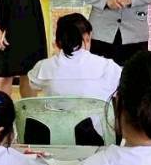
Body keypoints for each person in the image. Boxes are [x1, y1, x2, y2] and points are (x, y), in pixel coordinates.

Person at [26, 13, 121, 145]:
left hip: (55, 141)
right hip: (97, 143)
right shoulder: (108, 67)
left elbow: (32, 85)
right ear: (87, 37)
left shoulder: (43, 67)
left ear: (58, 41)